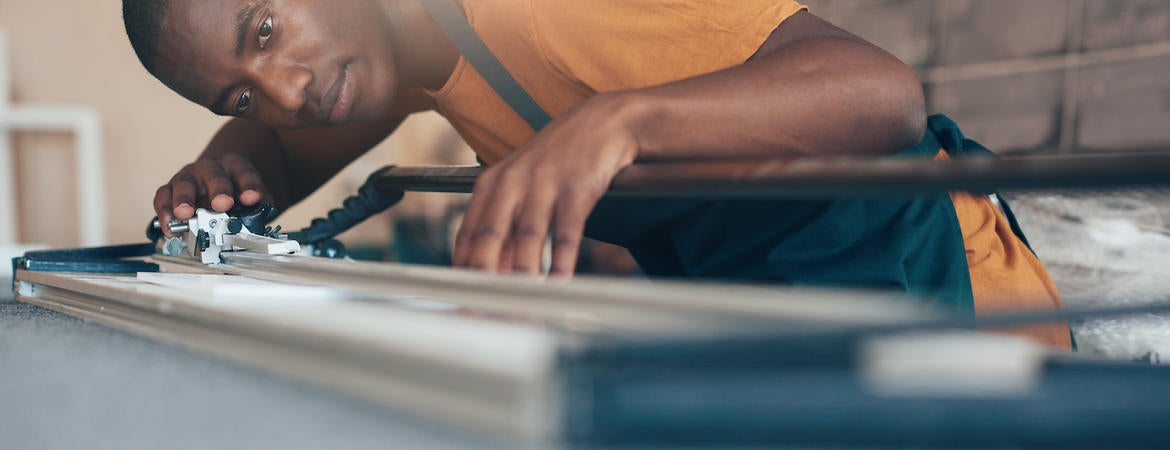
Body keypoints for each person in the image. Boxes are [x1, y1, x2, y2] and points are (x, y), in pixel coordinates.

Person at [122, 0, 1070, 348]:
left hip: (946, 301)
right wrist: (221, 173)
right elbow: (280, 151)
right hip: (782, 317)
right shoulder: (404, 58)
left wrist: (616, 122)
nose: (284, 92)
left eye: (265, 30)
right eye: (239, 97)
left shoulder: (539, 9)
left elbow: (880, 90)